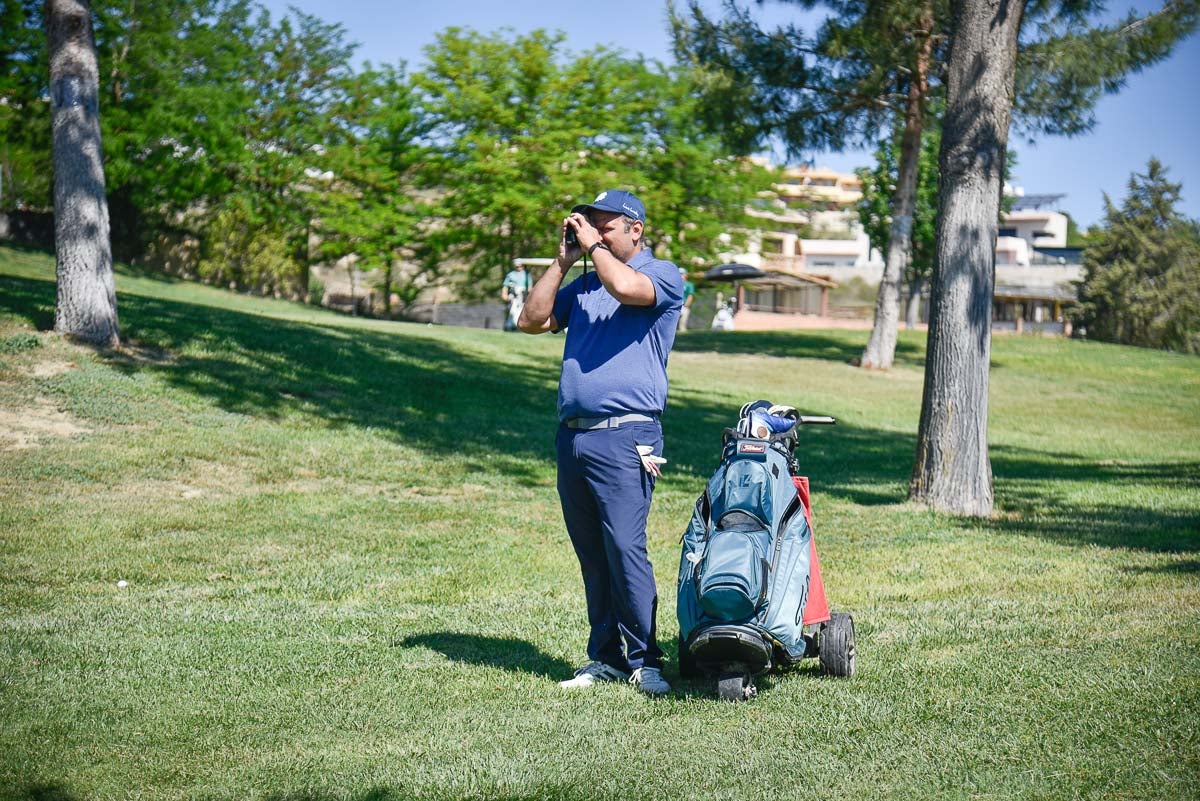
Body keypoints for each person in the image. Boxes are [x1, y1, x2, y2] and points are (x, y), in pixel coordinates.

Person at [517, 189, 684, 696]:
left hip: (628, 435)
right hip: (574, 438)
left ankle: (645, 659)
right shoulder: (587, 282)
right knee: (592, 552)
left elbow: (629, 289)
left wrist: (594, 251)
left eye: (604, 226)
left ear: (635, 228)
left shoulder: (662, 275)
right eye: (587, 225)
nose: (593, 232)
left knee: (625, 547)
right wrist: (562, 262)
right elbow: (531, 320)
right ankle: (606, 657)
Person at [501, 264, 531, 331]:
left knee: (521, 311)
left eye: (521, 266)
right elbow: (505, 286)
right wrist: (504, 294)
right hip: (513, 296)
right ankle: (510, 326)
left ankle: (519, 326)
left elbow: (529, 287)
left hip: (523, 296)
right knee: (512, 311)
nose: (519, 267)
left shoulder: (526, 275)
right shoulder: (511, 274)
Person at [677, 267, 695, 332]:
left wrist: (686, 305)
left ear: (686, 275)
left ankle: (682, 332)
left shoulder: (689, 285)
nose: (680, 276)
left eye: (682, 274)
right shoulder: (675, 284)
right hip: (676, 305)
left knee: (683, 322)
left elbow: (690, 295)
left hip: (684, 305)